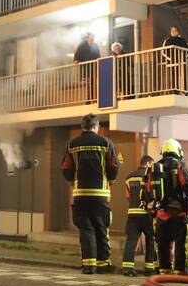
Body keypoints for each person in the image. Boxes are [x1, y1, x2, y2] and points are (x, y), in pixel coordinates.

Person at [61, 114, 120, 274]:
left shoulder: (72, 144)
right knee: (101, 228)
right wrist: (111, 180)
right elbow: (114, 166)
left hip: (80, 195)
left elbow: (66, 168)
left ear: (82, 126)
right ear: (96, 126)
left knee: (86, 229)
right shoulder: (106, 143)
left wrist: (71, 180)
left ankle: (89, 265)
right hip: (100, 195)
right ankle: (103, 264)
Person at [148, 138, 188, 275]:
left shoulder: (155, 167)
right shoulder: (179, 165)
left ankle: (164, 270)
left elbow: (148, 190)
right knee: (180, 244)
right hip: (178, 213)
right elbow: (187, 186)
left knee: (163, 244)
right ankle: (179, 270)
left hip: (161, 213)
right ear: (178, 151)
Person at [121, 155, 157, 277]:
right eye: (151, 164)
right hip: (146, 213)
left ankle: (127, 268)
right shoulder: (150, 176)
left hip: (132, 213)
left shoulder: (129, 177)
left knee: (131, 240)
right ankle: (149, 267)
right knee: (150, 240)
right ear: (147, 164)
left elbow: (127, 196)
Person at [162, 26, 188, 92]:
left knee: (184, 76)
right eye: (172, 30)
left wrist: (183, 57)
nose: (173, 32)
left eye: (174, 30)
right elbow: (163, 52)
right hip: (172, 62)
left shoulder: (182, 40)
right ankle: (174, 90)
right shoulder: (167, 40)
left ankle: (185, 91)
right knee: (173, 76)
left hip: (182, 61)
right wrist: (170, 59)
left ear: (177, 32)